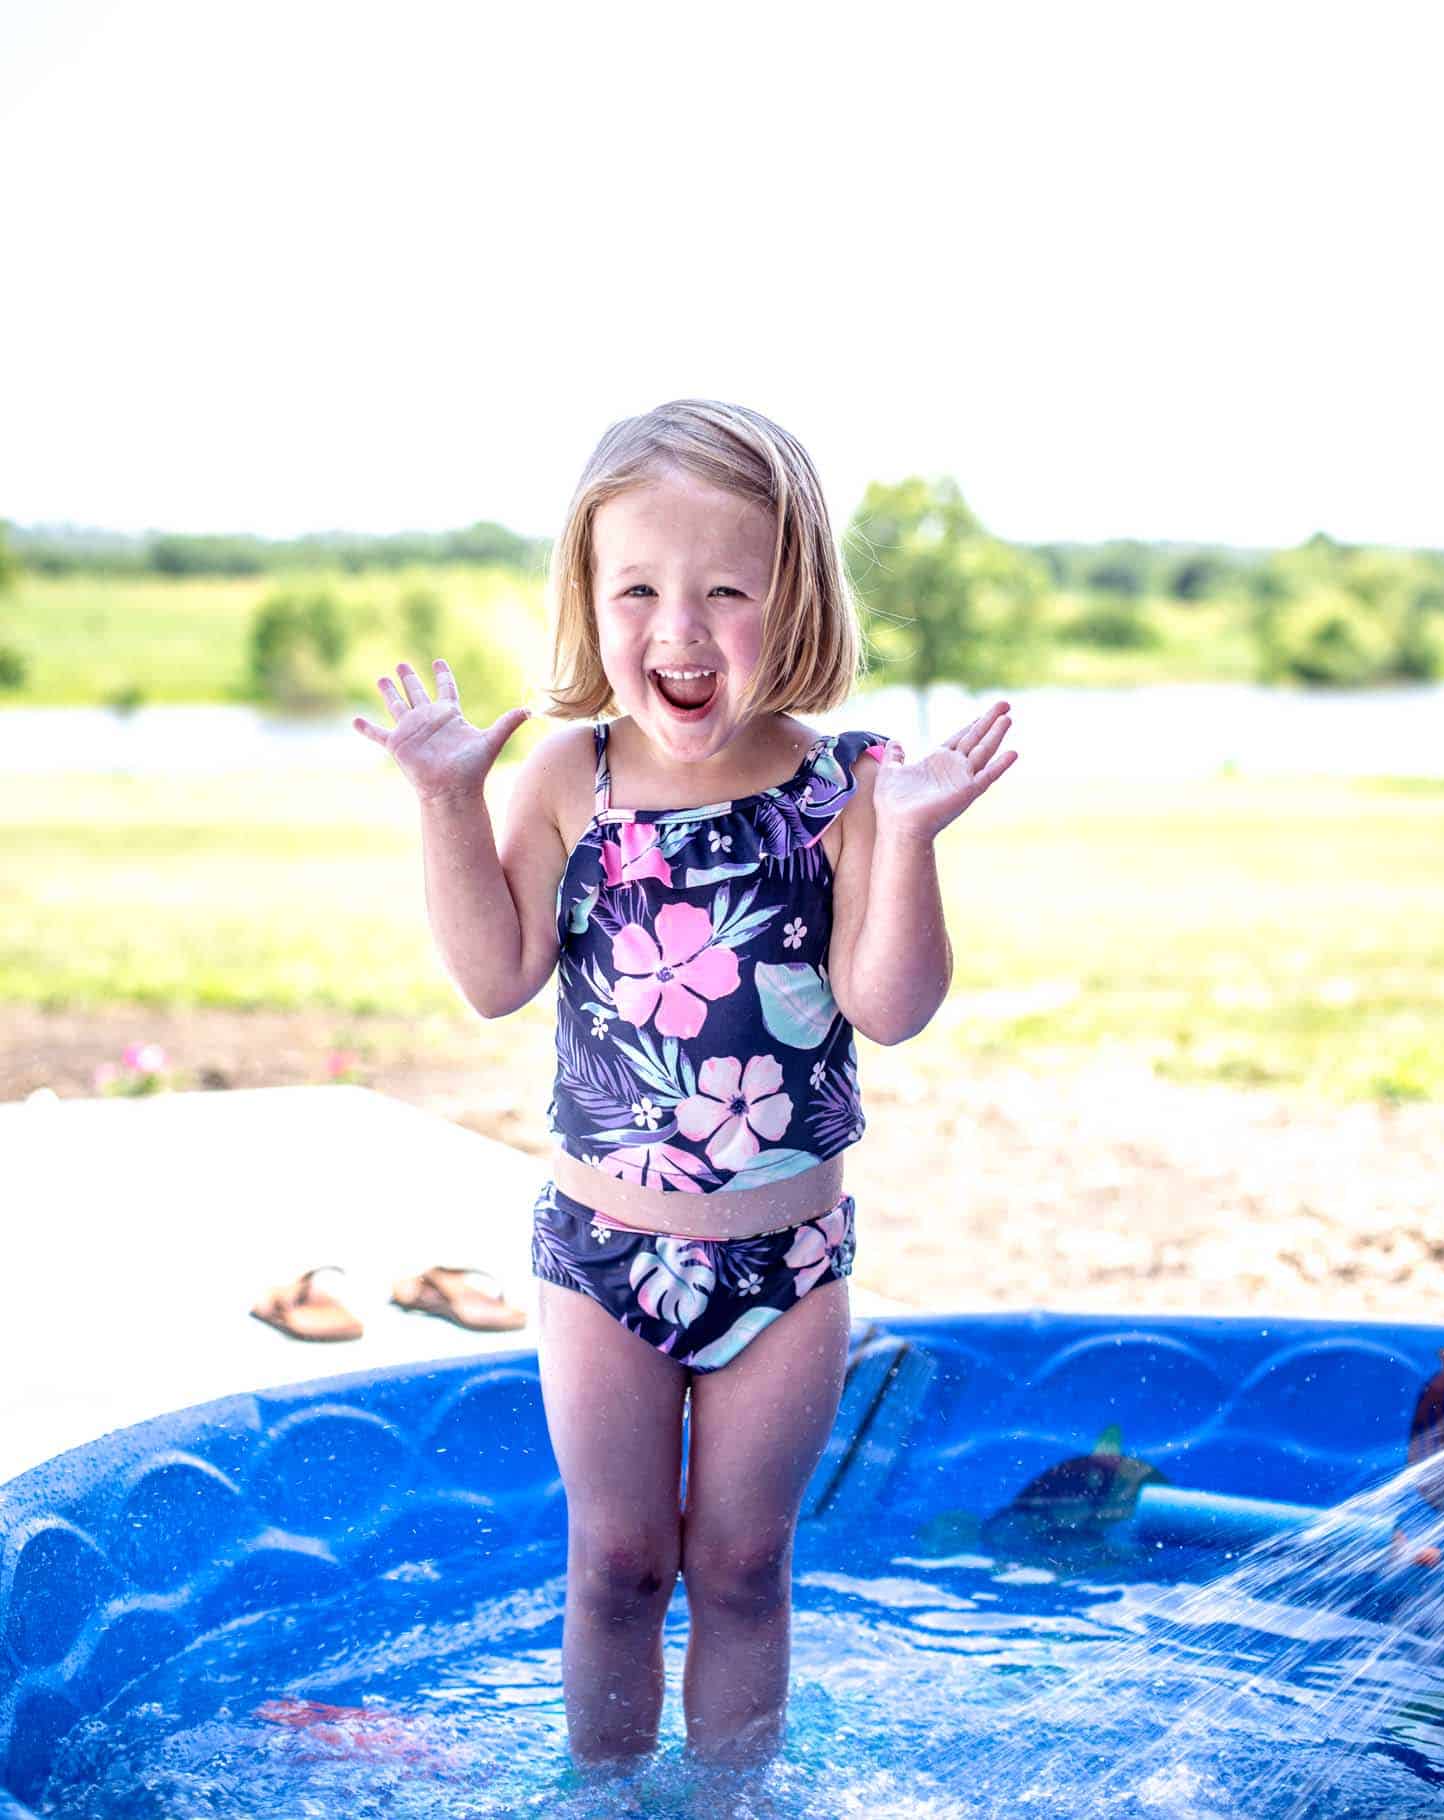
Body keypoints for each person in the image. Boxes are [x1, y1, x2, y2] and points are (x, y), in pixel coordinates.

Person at [351, 398, 1017, 1774]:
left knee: (742, 1565)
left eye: (728, 592)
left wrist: (913, 842)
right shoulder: (566, 778)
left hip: (788, 1266)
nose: (680, 631)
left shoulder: (850, 789)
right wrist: (443, 805)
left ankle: (729, 1808)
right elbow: (495, 976)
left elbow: (889, 1005)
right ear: (587, 602)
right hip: (600, 1257)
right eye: (638, 589)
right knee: (615, 1566)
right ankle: (600, 1802)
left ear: (800, 603)